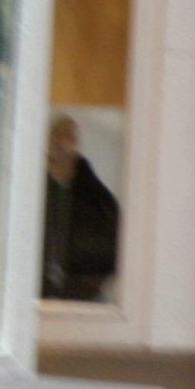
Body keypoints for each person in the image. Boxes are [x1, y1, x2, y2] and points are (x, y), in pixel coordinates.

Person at [40, 115, 119, 302]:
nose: (62, 142)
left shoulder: (91, 189)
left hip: (83, 291)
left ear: (76, 143)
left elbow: (115, 227)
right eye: (57, 135)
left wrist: (97, 277)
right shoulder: (34, 183)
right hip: (36, 290)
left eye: (68, 136)